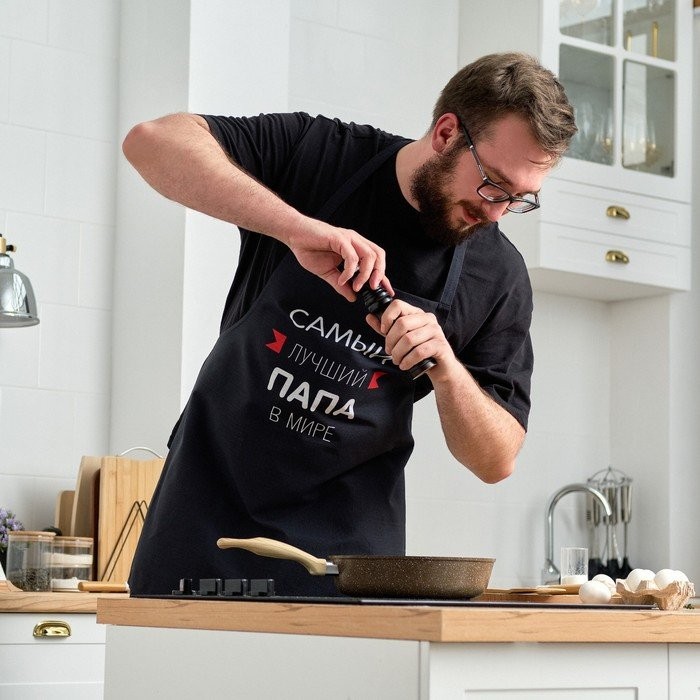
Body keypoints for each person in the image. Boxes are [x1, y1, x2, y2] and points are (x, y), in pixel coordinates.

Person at [124, 52, 576, 596]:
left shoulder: (499, 276)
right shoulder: (323, 155)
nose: (496, 211)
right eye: (492, 184)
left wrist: (446, 369)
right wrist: (295, 228)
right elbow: (150, 143)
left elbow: (496, 460)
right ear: (446, 133)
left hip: (350, 560)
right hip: (205, 517)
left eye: (519, 199)